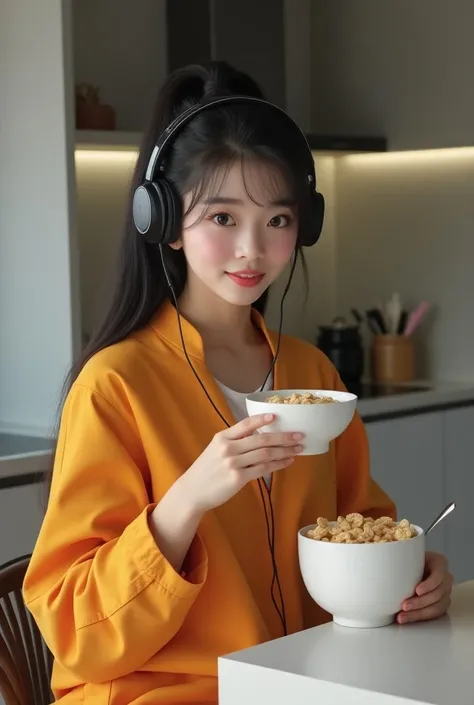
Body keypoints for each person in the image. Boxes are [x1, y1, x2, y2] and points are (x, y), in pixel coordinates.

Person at [23, 61, 452, 705]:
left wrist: (414, 574)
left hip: (304, 680)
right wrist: (187, 500)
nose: (253, 249)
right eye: (222, 218)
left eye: (277, 220)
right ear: (165, 221)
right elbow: (75, 630)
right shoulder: (116, 384)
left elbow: (361, 526)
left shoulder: (313, 376)